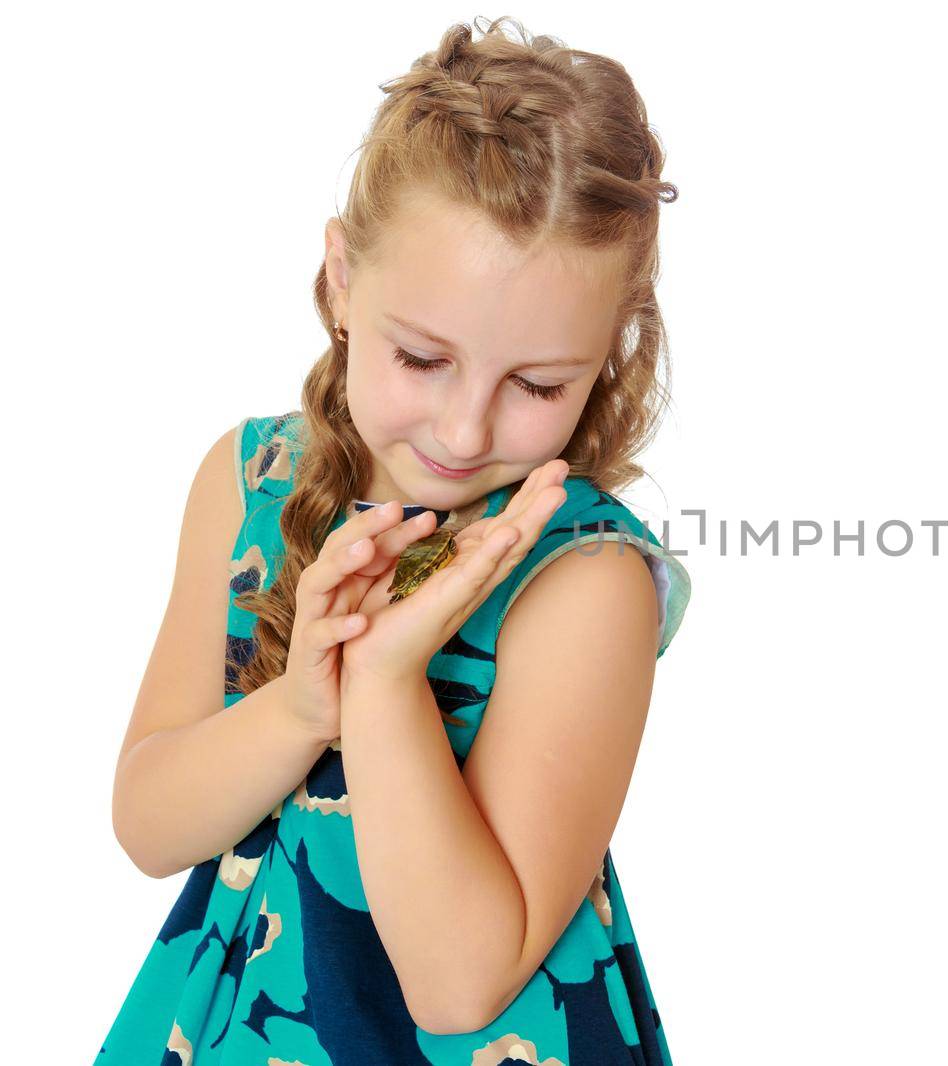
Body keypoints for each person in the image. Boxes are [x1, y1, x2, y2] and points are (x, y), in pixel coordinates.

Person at [96, 17, 691, 1063]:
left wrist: (382, 681)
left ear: (609, 353)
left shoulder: (585, 576)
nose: (464, 432)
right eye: (422, 359)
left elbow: (462, 985)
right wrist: (300, 702)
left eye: (538, 384)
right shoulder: (249, 485)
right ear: (339, 279)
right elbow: (149, 824)